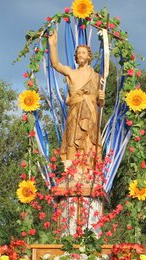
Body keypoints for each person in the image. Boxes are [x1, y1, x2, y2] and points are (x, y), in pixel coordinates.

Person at [48, 30, 105, 170]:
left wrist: (102, 99)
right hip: (74, 112)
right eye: (78, 53)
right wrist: (52, 46)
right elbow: (56, 64)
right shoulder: (71, 73)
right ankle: (72, 173)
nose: (80, 55)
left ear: (89, 56)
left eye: (83, 52)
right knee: (72, 140)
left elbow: (100, 103)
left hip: (91, 114)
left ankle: (89, 172)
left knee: (89, 141)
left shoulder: (97, 77)